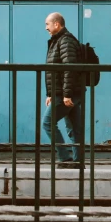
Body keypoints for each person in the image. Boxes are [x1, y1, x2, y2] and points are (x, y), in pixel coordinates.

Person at [42, 12, 82, 169]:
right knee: (74, 128)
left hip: (67, 94)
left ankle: (65, 158)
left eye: (47, 24)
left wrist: (66, 94)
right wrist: (50, 94)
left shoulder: (65, 41)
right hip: (65, 93)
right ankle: (78, 162)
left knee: (47, 123)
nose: (46, 28)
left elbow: (69, 69)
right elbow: (56, 70)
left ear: (56, 24)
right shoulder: (58, 41)